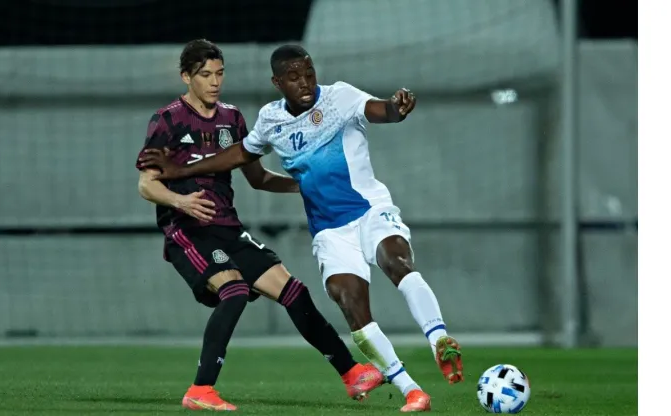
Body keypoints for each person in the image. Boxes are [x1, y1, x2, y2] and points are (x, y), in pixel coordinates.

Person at [138, 44, 466, 412]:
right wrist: (180, 189)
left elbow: (380, 112)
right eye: (205, 75)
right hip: (244, 230)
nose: (215, 82)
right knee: (287, 296)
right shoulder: (196, 120)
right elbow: (171, 178)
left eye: (220, 73)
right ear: (277, 82)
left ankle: (400, 354)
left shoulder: (316, 102)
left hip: (319, 216)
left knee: (340, 278)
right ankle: (201, 389)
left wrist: (394, 109)